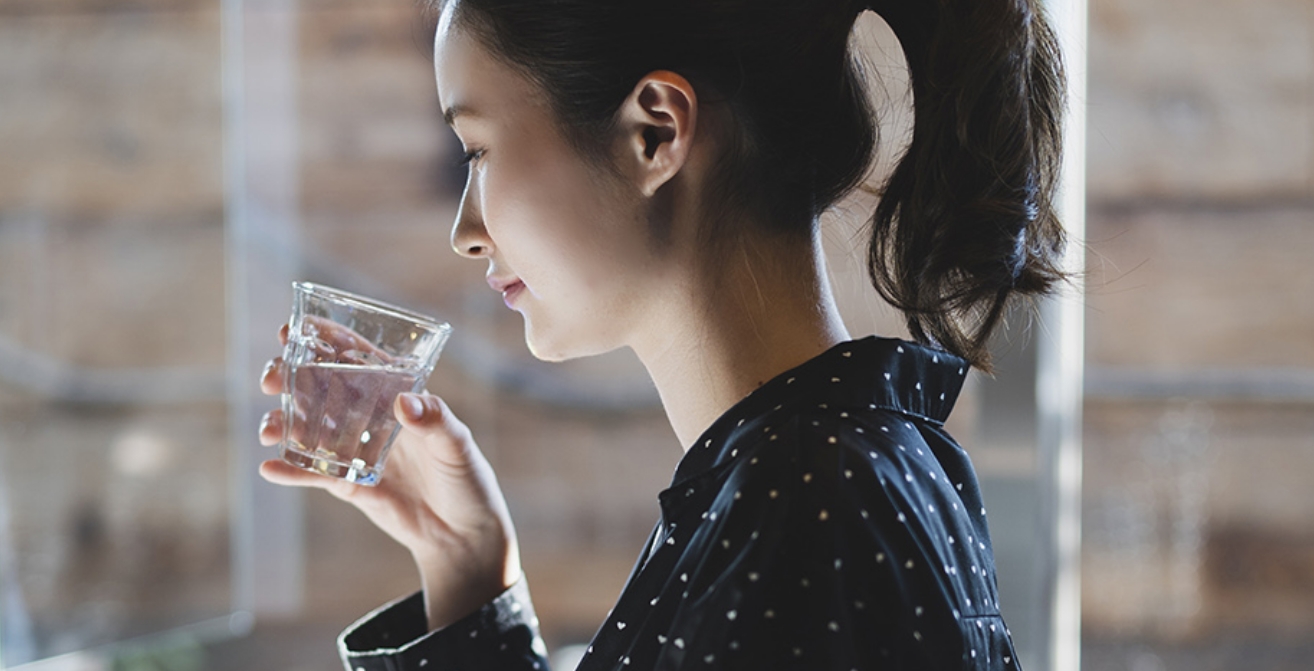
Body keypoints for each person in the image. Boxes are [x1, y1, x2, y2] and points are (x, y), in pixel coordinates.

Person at [257, 0, 1067, 668]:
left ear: (655, 132)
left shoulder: (798, 509)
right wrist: (466, 567)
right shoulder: (829, 470)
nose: (465, 231)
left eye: (477, 149)